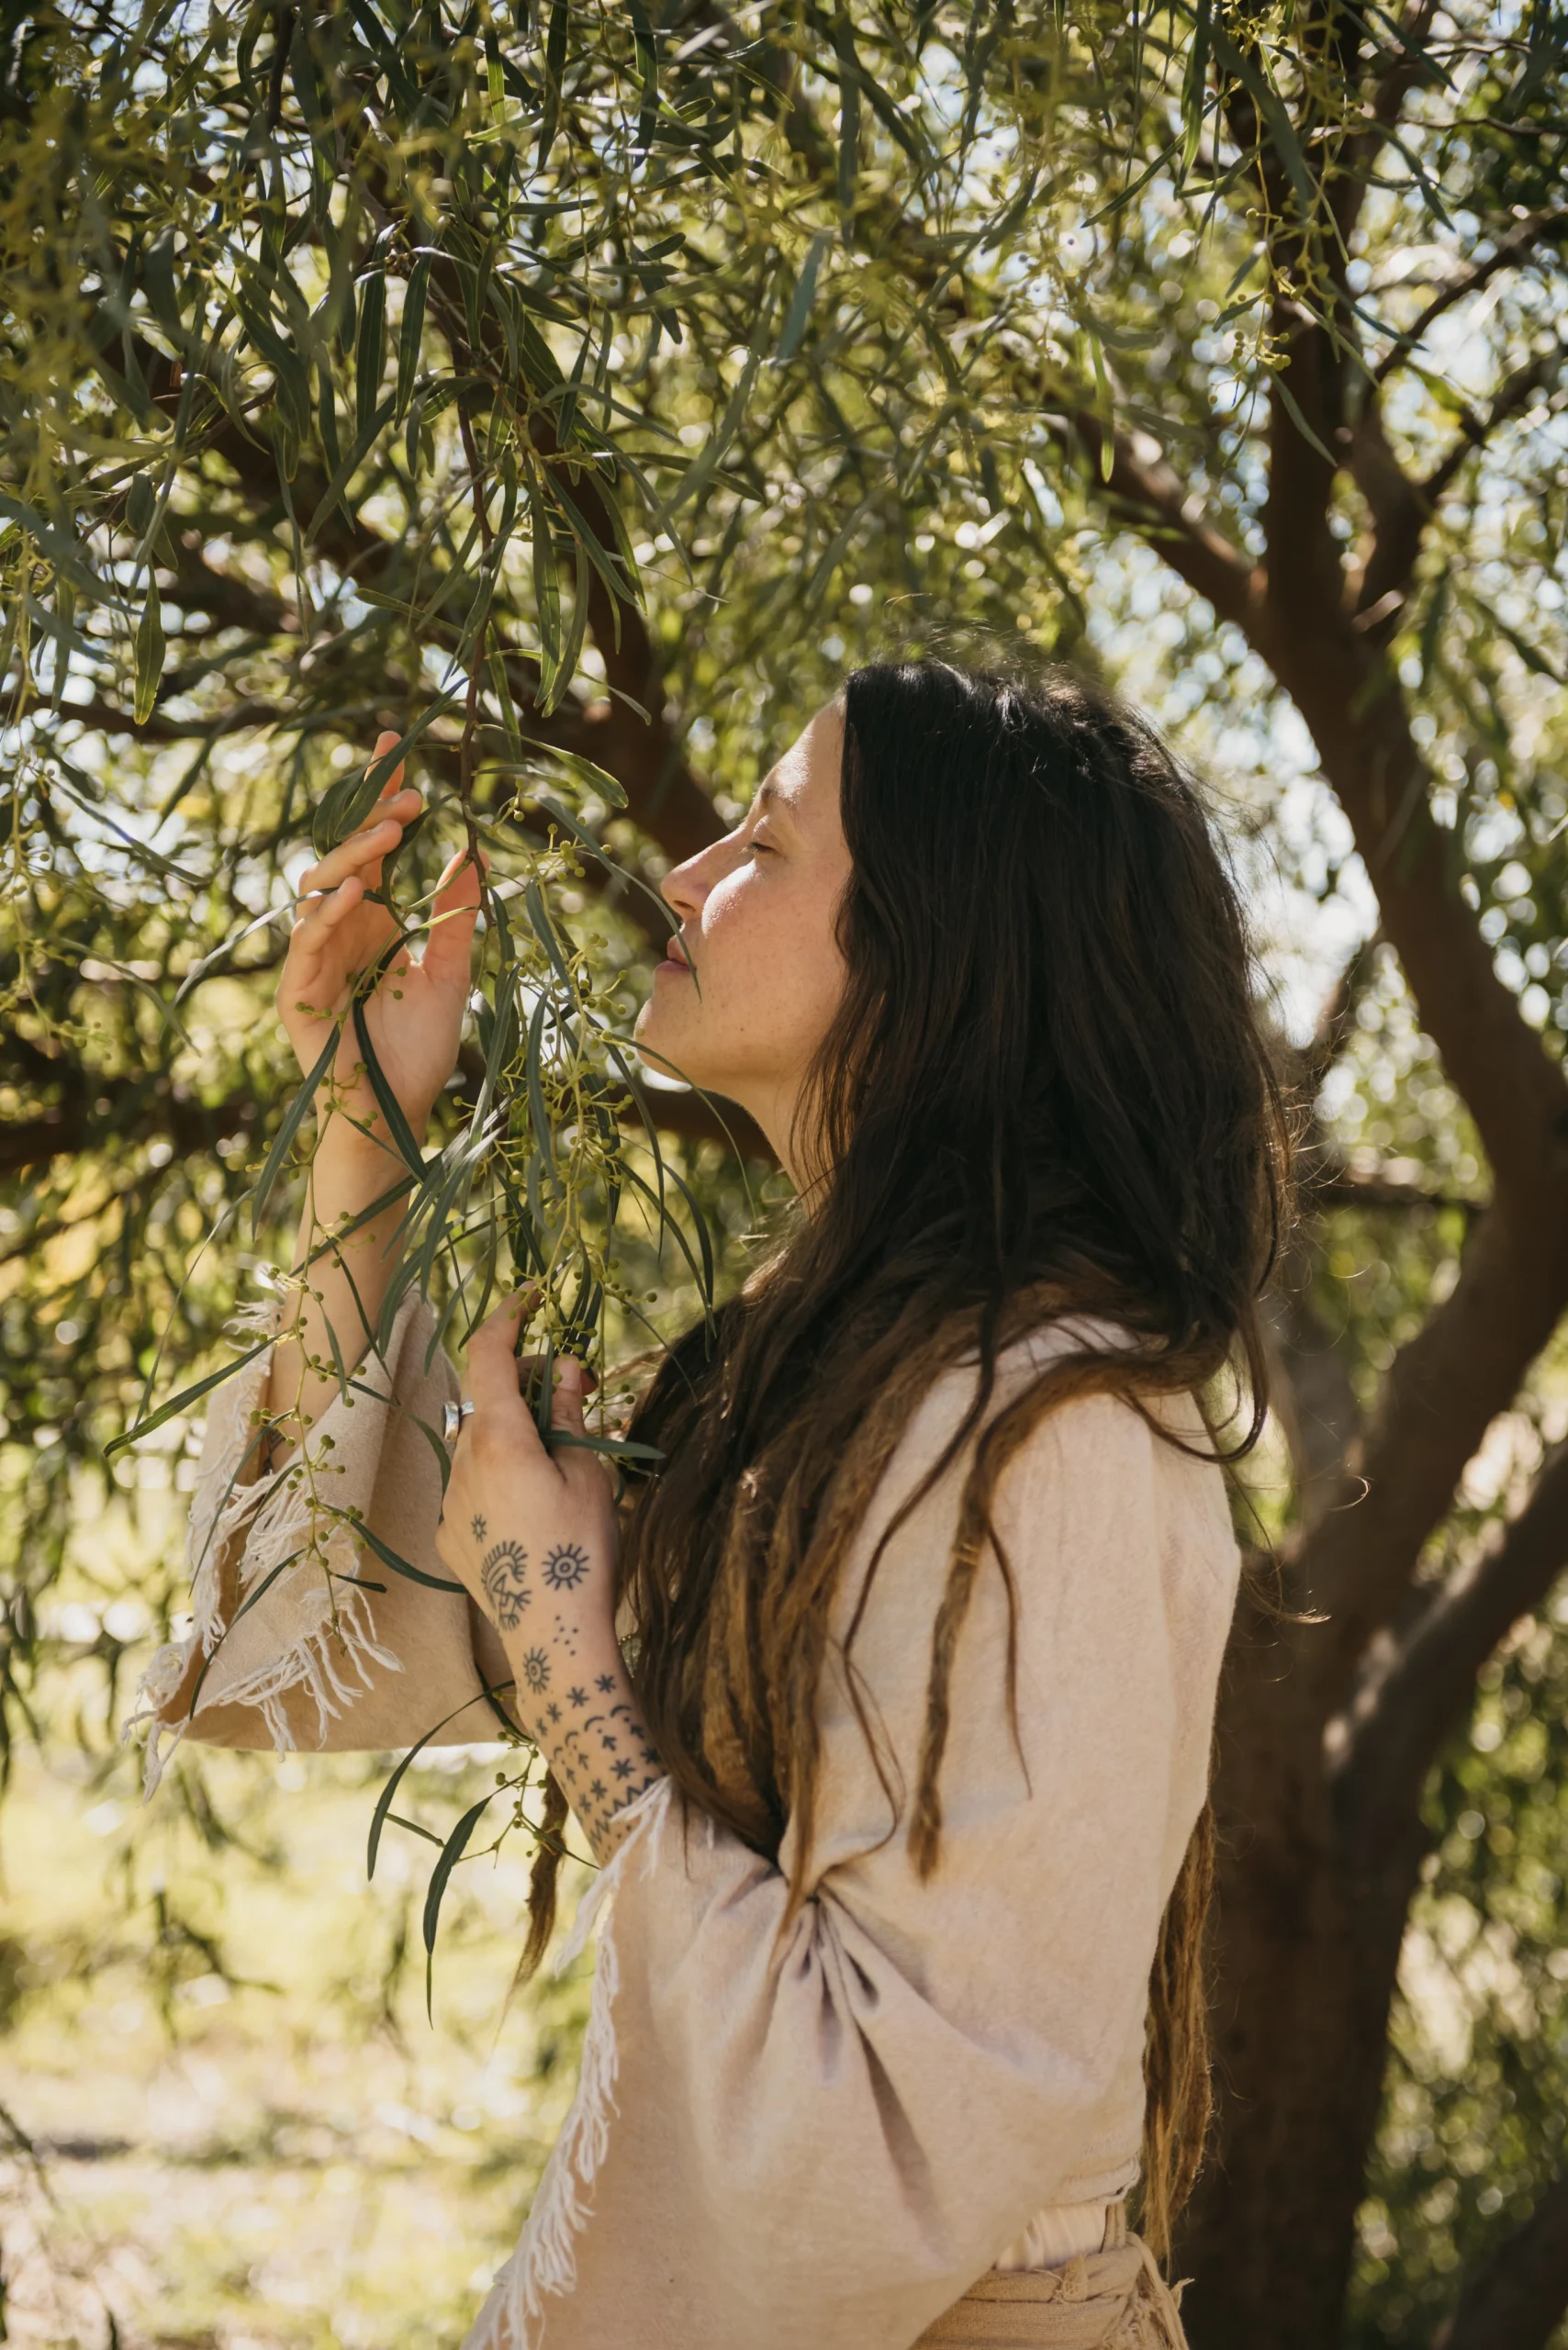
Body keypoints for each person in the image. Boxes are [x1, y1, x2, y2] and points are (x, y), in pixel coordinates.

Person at [129, 659, 1287, 2350]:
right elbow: (301, 1620)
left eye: (765, 839)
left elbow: (880, 2151)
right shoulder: (832, 1374)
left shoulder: (1065, 1434)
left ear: (935, 947)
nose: (682, 876)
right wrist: (365, 1123)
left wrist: (565, 1655)